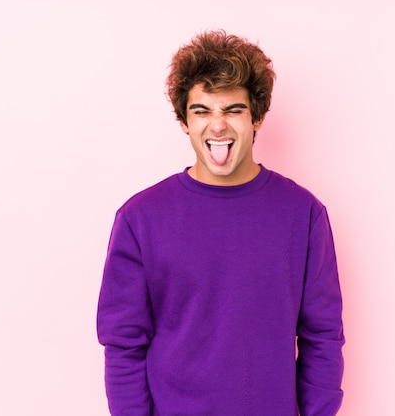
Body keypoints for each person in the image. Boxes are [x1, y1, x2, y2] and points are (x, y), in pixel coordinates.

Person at [97, 29, 344, 415]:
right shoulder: (140, 219)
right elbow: (124, 344)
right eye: (202, 111)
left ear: (257, 116)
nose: (217, 126)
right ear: (184, 120)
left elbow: (322, 336)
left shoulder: (304, 214)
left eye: (233, 110)